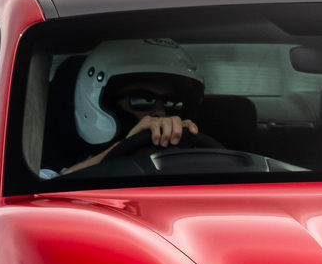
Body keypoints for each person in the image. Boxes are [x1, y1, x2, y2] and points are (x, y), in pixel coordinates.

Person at [58, 38, 217, 176]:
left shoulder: (203, 166)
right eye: (142, 100)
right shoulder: (77, 170)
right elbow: (54, 187)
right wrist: (123, 148)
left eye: (171, 103)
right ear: (107, 104)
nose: (161, 113)